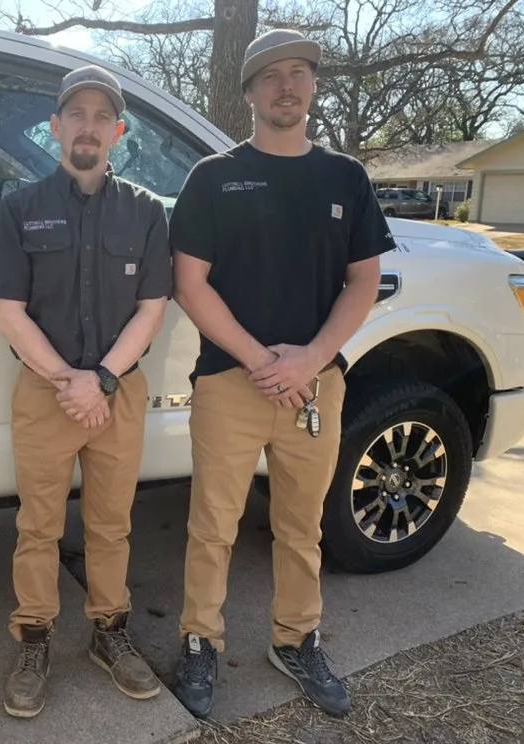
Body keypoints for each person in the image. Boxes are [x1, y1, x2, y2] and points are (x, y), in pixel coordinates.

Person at [167, 29, 397, 719]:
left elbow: (363, 282)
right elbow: (190, 283)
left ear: (314, 85)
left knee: (302, 526)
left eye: (298, 72)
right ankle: (200, 642)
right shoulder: (213, 177)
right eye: (270, 76)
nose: (286, 85)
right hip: (230, 382)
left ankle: (297, 640)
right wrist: (264, 360)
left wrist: (311, 358)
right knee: (213, 525)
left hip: (316, 386)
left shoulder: (345, 178)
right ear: (249, 93)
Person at [0, 64, 173, 719]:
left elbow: (151, 310)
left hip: (118, 390)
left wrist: (103, 380)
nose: (88, 127)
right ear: (55, 127)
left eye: (101, 117)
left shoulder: (147, 212)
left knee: (112, 524)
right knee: (37, 525)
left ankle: (109, 632)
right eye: (76, 115)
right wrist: (70, 380)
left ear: (118, 131)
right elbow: (9, 312)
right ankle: (34, 639)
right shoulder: (20, 209)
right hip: (46, 393)